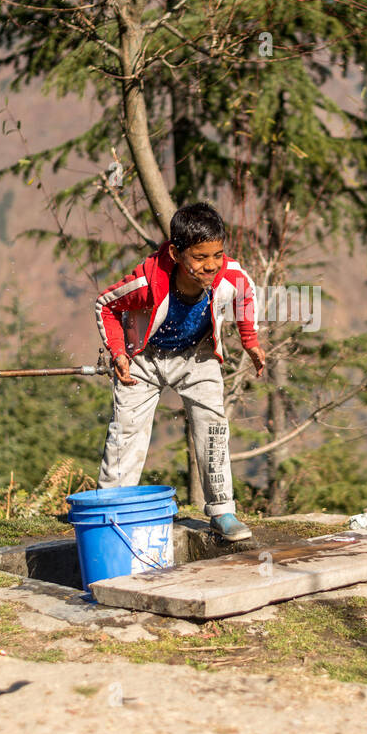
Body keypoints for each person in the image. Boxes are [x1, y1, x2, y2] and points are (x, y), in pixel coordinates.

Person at [93, 203, 266, 541]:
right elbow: (105, 304)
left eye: (217, 254)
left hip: (196, 356)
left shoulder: (229, 276)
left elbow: (246, 294)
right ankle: (106, 510)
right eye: (200, 257)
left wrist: (250, 341)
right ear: (175, 252)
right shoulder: (146, 280)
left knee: (213, 428)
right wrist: (117, 352)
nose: (211, 265)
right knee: (127, 431)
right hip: (144, 358)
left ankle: (222, 511)